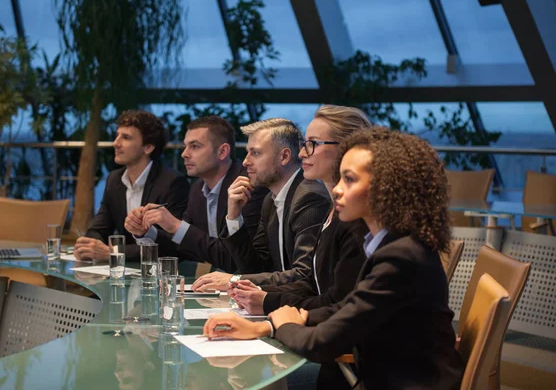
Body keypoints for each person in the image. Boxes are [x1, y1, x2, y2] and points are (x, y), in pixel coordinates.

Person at [203, 127, 464, 389]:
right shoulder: (393, 245)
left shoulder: (401, 258)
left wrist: (281, 325)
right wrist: (268, 326)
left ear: (388, 188)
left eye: (349, 180)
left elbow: (321, 344)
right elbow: (346, 308)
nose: (337, 189)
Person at [229, 105, 371, 315]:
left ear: (347, 149)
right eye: (305, 144)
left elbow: (337, 301)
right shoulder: (274, 201)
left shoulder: (317, 200)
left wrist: (270, 306)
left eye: (312, 144)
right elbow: (311, 283)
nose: (303, 153)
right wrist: (258, 294)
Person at [192, 118, 331, 291]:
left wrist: (233, 280)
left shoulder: (309, 198)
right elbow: (255, 267)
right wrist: (234, 217)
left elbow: (304, 276)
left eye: (255, 153)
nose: (245, 162)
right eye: (247, 152)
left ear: (284, 156)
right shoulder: (270, 200)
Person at [124, 116, 267, 272]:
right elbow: (182, 247)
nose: (184, 154)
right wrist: (147, 232)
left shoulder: (248, 185)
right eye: (186, 146)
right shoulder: (197, 188)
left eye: (195, 146)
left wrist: (176, 225)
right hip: (212, 286)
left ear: (222, 151)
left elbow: (235, 260)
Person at [74, 110, 190, 262]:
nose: (116, 142)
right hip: (127, 271)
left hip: (161, 272)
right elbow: (99, 229)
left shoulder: (172, 182)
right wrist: (89, 245)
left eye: (126, 137)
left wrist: (114, 253)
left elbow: (172, 245)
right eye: (117, 136)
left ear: (147, 147)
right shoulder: (114, 180)